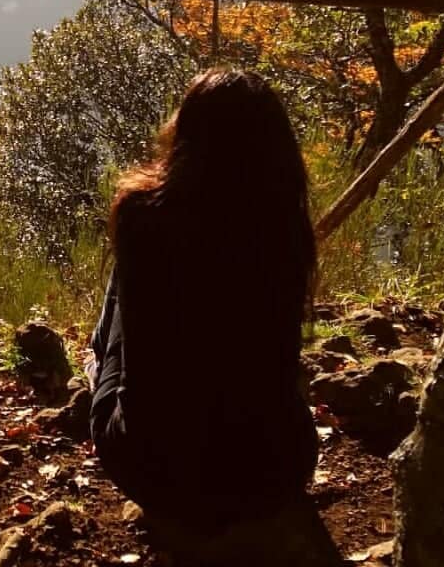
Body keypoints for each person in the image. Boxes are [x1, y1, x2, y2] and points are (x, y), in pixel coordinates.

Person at [89, 68, 339, 566]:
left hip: (154, 467)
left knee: (124, 293)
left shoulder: (144, 212)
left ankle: (97, 361)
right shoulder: (282, 223)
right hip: (275, 471)